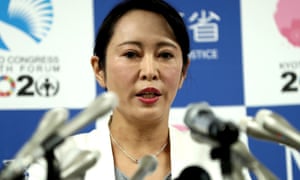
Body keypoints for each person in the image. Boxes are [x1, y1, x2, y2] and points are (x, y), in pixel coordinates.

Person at [27, 0, 249, 179]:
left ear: (183, 71)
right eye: (131, 54)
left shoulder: (218, 160)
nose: (149, 71)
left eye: (165, 55)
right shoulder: (59, 160)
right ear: (99, 69)